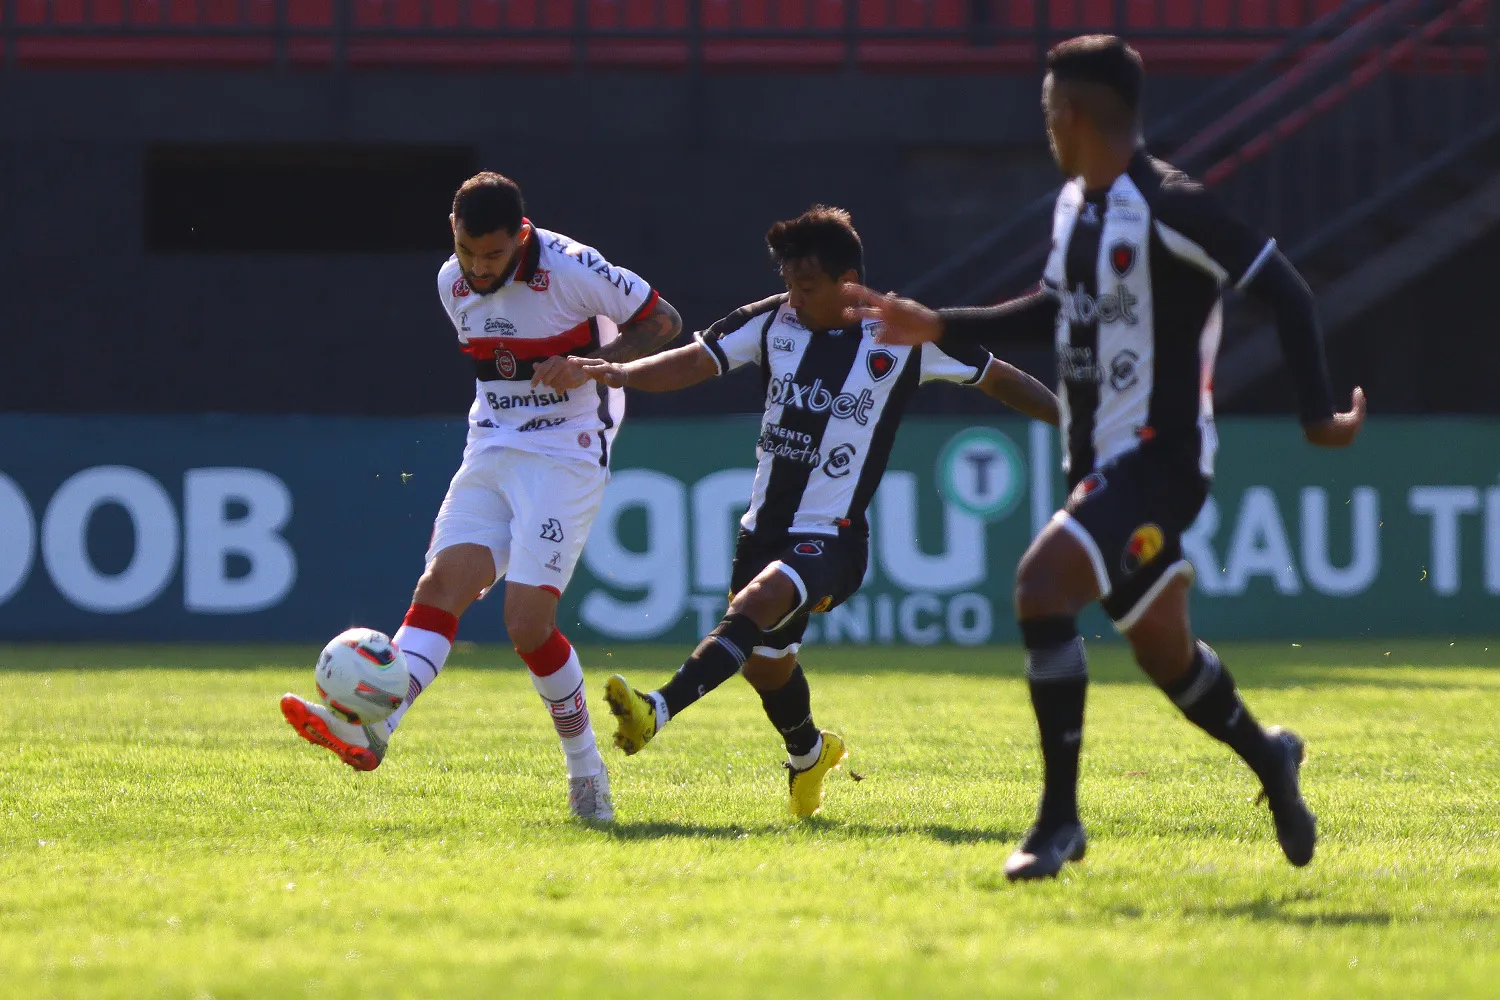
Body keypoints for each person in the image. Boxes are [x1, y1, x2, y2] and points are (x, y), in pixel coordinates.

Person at [842, 35, 1365, 877]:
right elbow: (1055, 306)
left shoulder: (1172, 206)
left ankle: (1058, 825)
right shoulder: (1076, 206)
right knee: (1165, 652)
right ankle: (1271, 756)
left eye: (1050, 111)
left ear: (1073, 114)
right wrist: (940, 324)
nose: (1046, 126)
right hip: (1094, 461)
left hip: (1160, 460)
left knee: (1040, 586)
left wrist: (1315, 416)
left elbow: (1287, 291)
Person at [564, 206, 1059, 817]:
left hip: (834, 537)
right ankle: (809, 754)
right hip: (761, 529)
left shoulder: (900, 336)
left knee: (756, 604)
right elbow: (695, 360)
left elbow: (998, 377)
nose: (793, 298)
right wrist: (619, 372)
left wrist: (1075, 422)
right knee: (767, 667)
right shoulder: (771, 322)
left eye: (806, 287)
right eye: (788, 283)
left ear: (848, 282)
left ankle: (657, 709)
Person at [281, 172, 682, 823]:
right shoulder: (450, 283)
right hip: (493, 442)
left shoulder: (573, 267)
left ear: (521, 236)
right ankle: (375, 729)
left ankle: (587, 772)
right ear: (454, 235)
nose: (479, 268)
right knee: (440, 587)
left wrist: (593, 363)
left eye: (493, 256)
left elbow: (664, 321)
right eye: (469, 253)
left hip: (569, 447)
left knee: (527, 625)